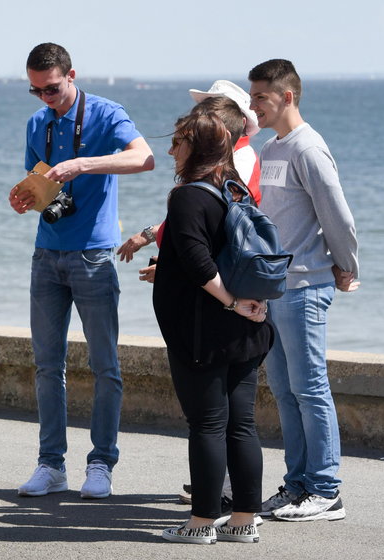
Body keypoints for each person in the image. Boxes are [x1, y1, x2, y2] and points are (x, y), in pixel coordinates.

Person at [9, 43, 154, 499]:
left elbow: (145, 158)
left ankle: (101, 463)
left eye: (51, 88)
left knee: (104, 365)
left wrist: (83, 164)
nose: (45, 98)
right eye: (35, 91)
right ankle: (51, 465)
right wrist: (24, 199)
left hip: (93, 255)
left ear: (71, 75)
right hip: (46, 254)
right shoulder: (37, 123)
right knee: (46, 367)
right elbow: (40, 188)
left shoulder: (108, 113)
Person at [155, 111, 273, 544]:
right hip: (245, 332)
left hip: (204, 331)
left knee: (206, 424)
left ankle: (202, 523)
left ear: (197, 148)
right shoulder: (235, 189)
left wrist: (232, 302)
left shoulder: (188, 197)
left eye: (178, 141)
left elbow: (198, 262)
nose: (171, 150)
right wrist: (244, 306)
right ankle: (243, 521)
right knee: (240, 425)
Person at [248, 59, 359, 522]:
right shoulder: (272, 149)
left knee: (310, 389)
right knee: (285, 391)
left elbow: (337, 216)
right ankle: (296, 486)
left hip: (306, 288)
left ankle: (327, 490)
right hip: (274, 290)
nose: (253, 106)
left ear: (286, 97)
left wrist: (346, 267)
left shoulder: (308, 149)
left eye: (260, 98)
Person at [117, 80, 260, 270]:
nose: (204, 119)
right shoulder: (219, 163)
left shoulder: (239, 162)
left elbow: (212, 233)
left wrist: (174, 267)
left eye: (215, 112)